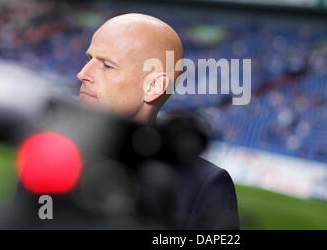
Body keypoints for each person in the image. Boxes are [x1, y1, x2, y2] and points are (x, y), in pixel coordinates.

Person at [77, 13, 239, 229]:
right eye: (89, 59)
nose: (82, 74)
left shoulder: (203, 185)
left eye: (107, 65)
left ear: (154, 86)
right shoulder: (54, 153)